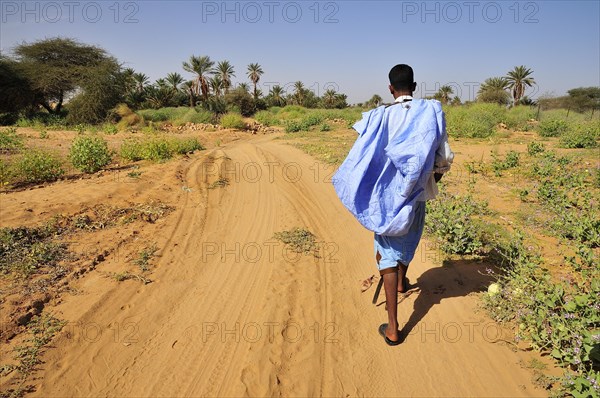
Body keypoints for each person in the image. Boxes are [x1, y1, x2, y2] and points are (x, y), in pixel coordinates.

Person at [332, 64, 454, 346]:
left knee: (387, 251)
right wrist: (428, 179)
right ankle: (402, 282)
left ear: (390, 88)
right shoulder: (430, 113)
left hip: (385, 199)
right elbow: (443, 157)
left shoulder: (379, 117)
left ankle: (393, 327)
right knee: (409, 238)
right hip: (417, 193)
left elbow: (365, 155)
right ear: (414, 86)